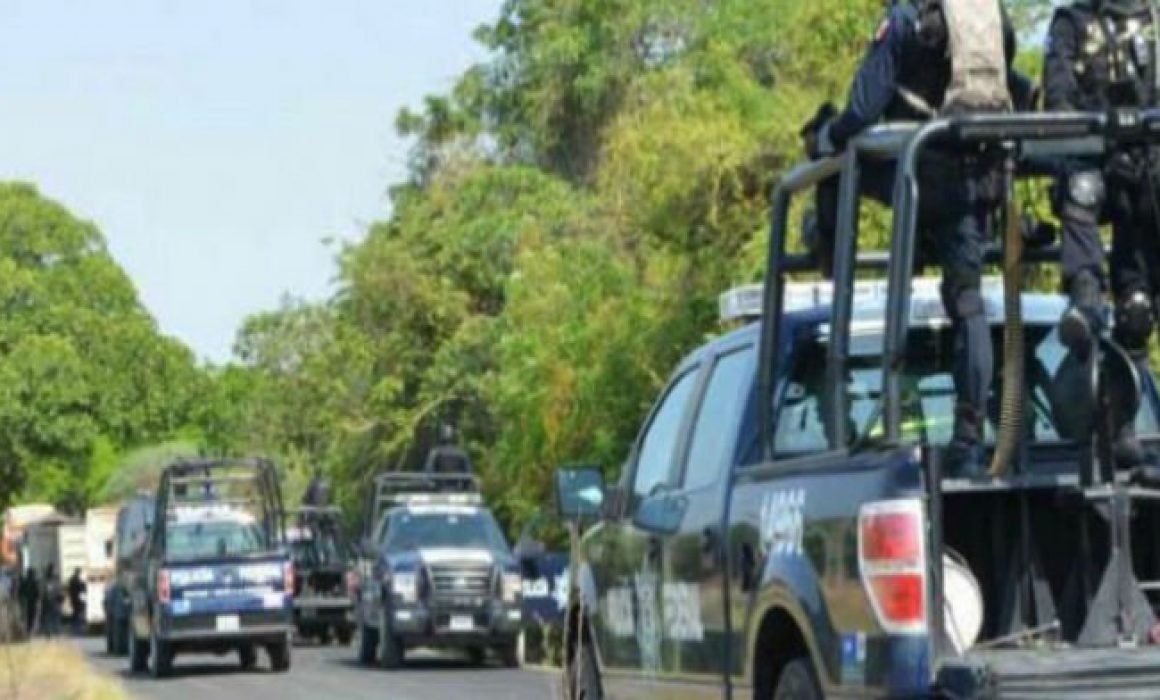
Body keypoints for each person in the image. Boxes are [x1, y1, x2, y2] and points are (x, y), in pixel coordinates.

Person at [807, 0, 1018, 476]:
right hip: (975, 180)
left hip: (918, 173)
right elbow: (1016, 89)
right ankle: (969, 438)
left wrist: (826, 134)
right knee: (969, 304)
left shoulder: (905, 20)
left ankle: (829, 258)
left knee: (831, 160)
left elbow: (861, 110)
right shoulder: (990, 16)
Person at [1044, 0, 1160, 468]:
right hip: (1092, 157)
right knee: (1082, 188)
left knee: (1136, 310)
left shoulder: (1151, 21)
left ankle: (1127, 424)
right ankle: (1086, 301)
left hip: (1146, 172)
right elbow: (1058, 98)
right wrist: (1095, 131)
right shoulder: (1071, 24)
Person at [40, 564, 62, 637]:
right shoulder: (52, 580)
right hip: (51, 601)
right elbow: (50, 591)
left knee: (50, 617)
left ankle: (50, 631)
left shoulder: (47, 579)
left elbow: (44, 591)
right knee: (52, 617)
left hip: (50, 601)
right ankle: (52, 631)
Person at [18, 567, 39, 636]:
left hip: (26, 602)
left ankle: (27, 630)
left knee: (26, 617)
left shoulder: (25, 581)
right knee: (31, 617)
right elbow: (37, 593)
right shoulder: (34, 582)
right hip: (31, 602)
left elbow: (20, 592)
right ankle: (28, 630)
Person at [66, 567, 86, 635]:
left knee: (76, 611)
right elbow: (81, 588)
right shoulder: (76, 580)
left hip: (74, 598)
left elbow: (69, 589)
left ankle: (74, 625)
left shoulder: (73, 579)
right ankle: (75, 626)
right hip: (76, 598)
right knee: (76, 611)